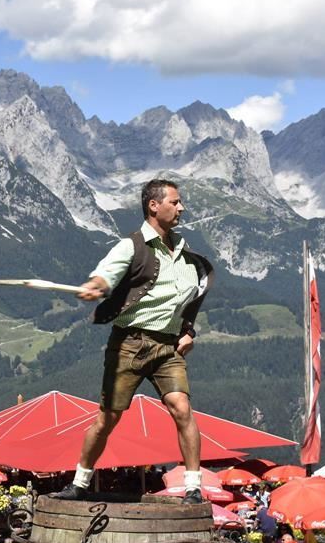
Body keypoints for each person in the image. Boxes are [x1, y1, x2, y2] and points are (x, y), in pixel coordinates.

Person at [52, 179, 214, 504]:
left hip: (167, 348)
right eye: (175, 202)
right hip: (129, 344)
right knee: (107, 419)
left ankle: (194, 487)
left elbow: (194, 296)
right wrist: (96, 286)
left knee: (182, 408)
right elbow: (106, 273)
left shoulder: (186, 255)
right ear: (154, 205)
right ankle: (80, 481)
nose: (181, 208)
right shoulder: (132, 246)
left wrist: (189, 332)